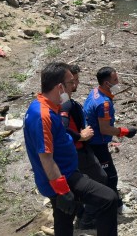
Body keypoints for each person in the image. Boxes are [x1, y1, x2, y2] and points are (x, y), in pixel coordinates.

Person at [23, 62, 118, 236]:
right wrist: (63, 190)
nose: (73, 87)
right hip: (63, 178)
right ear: (60, 87)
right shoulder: (43, 115)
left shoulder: (43, 106)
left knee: (65, 219)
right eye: (70, 83)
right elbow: (46, 158)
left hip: (62, 174)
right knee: (109, 199)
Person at [84, 66, 137, 213]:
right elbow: (105, 128)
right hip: (97, 143)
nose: (118, 81)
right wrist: (125, 131)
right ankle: (116, 206)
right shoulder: (104, 103)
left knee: (97, 173)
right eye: (115, 79)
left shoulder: (94, 92)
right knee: (110, 176)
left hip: (90, 140)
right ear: (107, 83)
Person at [60, 64, 107, 229]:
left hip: (77, 148)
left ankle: (81, 213)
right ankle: (87, 218)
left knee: (81, 182)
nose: (76, 84)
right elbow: (62, 127)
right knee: (100, 178)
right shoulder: (65, 104)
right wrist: (81, 135)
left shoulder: (64, 102)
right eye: (74, 81)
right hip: (78, 149)